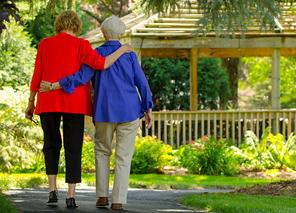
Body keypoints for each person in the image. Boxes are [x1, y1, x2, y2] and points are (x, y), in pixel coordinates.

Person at [39, 15, 153, 210]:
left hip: (104, 111)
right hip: (129, 111)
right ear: (122, 34)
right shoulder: (129, 55)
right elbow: (141, 82)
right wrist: (148, 107)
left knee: (102, 152)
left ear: (103, 33)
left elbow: (81, 77)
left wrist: (56, 85)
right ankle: (118, 200)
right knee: (123, 157)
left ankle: (102, 197)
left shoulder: (96, 54)